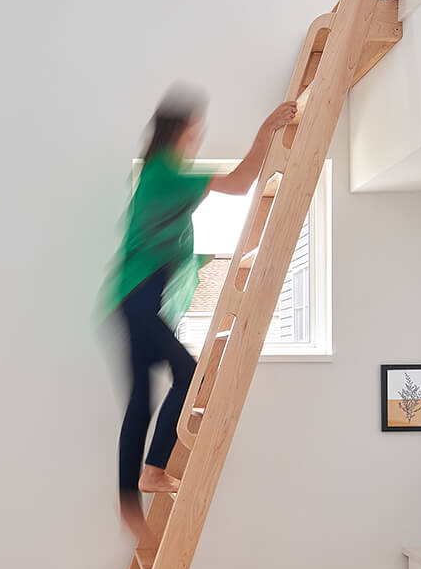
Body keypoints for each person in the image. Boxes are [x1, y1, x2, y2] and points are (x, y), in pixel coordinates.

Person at [104, 85, 298, 535]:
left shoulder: (159, 173)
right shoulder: (167, 173)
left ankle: (136, 490)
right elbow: (241, 183)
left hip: (133, 298)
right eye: (197, 127)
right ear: (182, 130)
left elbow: (165, 236)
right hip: (136, 299)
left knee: (143, 397)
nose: (201, 134)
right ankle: (146, 477)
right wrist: (267, 129)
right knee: (187, 374)